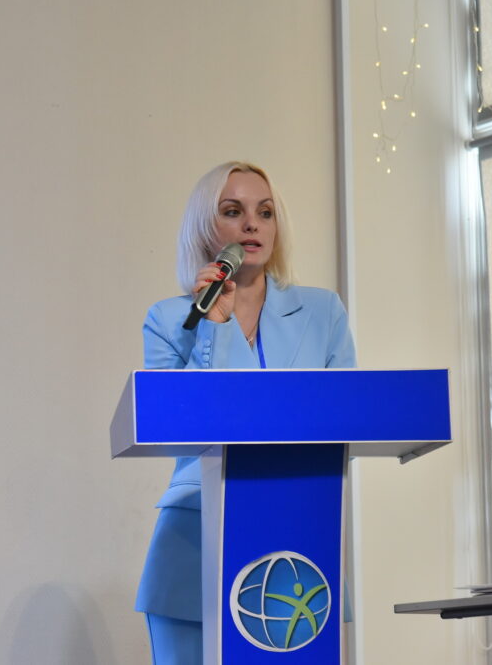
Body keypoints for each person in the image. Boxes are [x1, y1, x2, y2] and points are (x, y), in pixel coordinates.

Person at [134, 161, 356, 664]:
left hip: (297, 538)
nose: (252, 224)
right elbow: (182, 428)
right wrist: (214, 326)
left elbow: (345, 416)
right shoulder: (168, 320)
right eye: (233, 211)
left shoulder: (324, 312)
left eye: (265, 212)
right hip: (192, 545)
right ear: (204, 227)